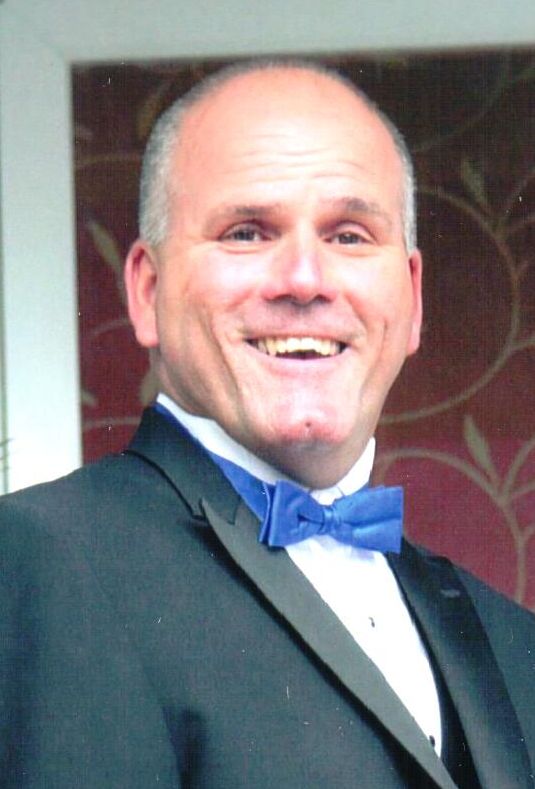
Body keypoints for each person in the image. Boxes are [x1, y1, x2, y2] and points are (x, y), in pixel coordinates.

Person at [0, 60, 534, 789]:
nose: (305, 279)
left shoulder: (508, 636)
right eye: (247, 232)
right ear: (147, 291)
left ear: (411, 299)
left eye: (349, 236)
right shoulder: (38, 562)